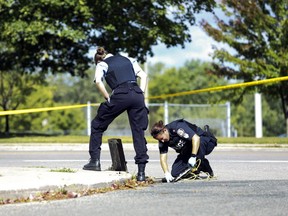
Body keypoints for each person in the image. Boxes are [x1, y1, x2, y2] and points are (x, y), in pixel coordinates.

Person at [83, 47, 149, 182]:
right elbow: (144, 76)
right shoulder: (128, 59)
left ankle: (94, 161)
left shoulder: (102, 64)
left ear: (98, 59)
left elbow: (98, 81)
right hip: (137, 93)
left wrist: (107, 97)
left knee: (97, 125)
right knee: (138, 132)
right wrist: (141, 93)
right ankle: (141, 173)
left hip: (120, 94)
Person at [150, 119, 217, 182]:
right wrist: (166, 173)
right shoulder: (162, 141)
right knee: (175, 174)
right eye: (159, 140)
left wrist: (193, 156)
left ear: (164, 130)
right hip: (188, 150)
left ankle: (199, 164)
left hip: (206, 142)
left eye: (162, 138)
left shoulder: (177, 127)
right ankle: (203, 164)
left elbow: (196, 138)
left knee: (200, 143)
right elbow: (163, 158)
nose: (162, 141)